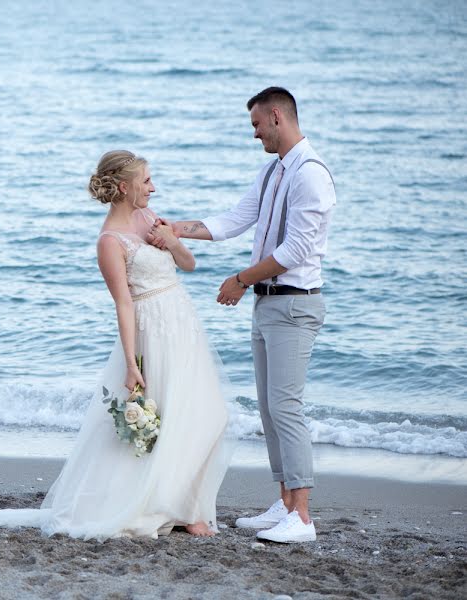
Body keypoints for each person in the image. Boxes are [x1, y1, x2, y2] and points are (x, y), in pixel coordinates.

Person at [0, 150, 232, 540]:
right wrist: (133, 364)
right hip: (151, 329)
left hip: (183, 323)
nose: (153, 187)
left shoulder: (151, 218)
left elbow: (189, 265)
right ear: (124, 187)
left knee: (208, 414)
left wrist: (171, 238)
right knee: (171, 417)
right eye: (146, 181)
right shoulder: (109, 242)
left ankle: (187, 505)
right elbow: (123, 304)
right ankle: (183, 511)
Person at [149, 87, 335, 543]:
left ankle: (303, 519)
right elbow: (234, 220)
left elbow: (296, 251)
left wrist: (241, 279)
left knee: (286, 408)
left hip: (294, 302)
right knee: (271, 411)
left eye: (256, 125)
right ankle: (285, 503)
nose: (254, 135)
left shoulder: (311, 175)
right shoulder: (273, 171)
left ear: (276, 116)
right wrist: (178, 229)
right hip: (268, 304)